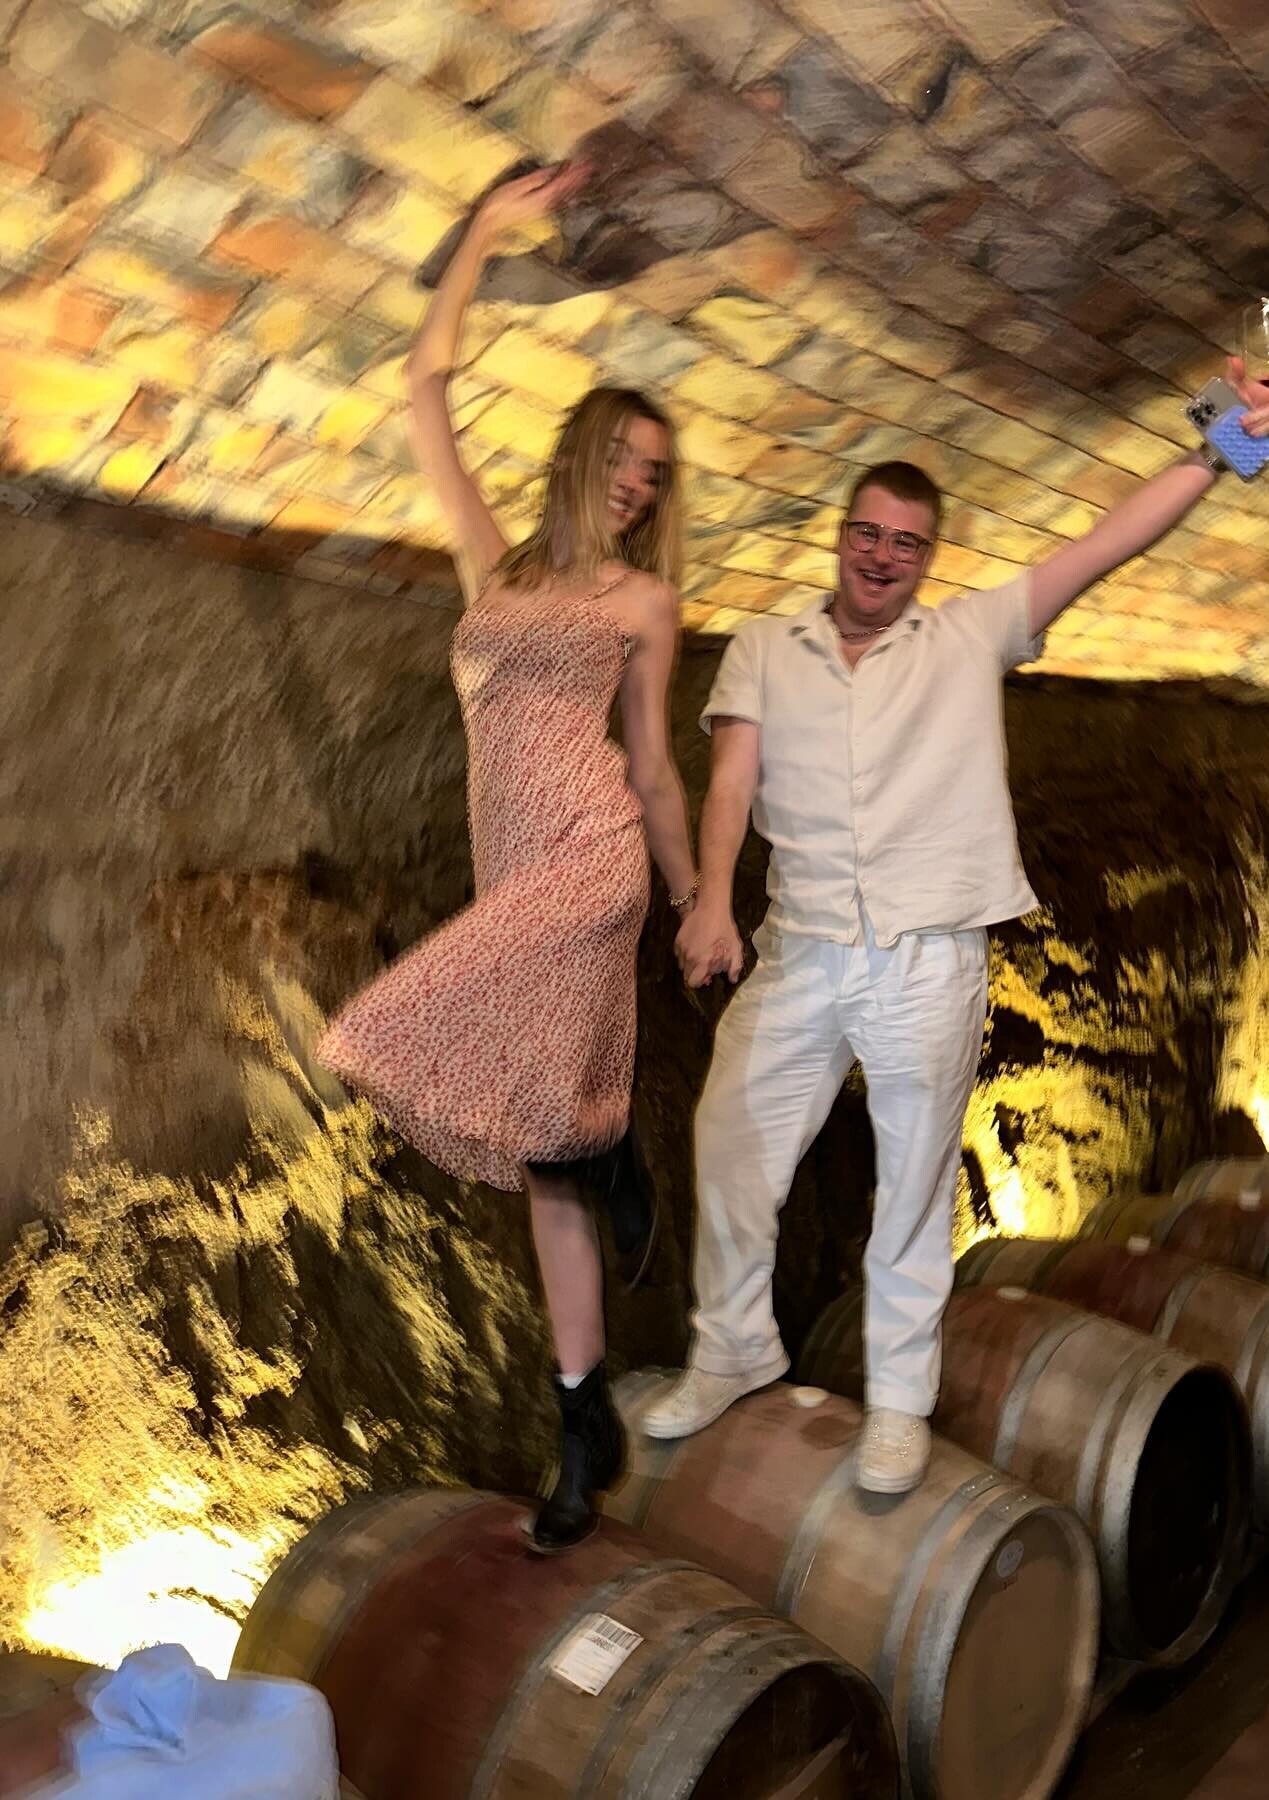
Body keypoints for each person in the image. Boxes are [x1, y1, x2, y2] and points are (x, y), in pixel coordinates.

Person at [644, 359, 1269, 1494]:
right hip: (801, 948)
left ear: (927, 558)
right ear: (839, 536)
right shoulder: (764, 649)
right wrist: (709, 897)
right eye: (867, 533)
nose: (881, 556)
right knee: (731, 1145)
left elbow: (1109, 542)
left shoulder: (967, 636)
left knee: (911, 1186)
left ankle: (899, 1401)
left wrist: (1227, 440)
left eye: (906, 543)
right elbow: (731, 782)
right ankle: (733, 1347)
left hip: (927, 958)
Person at [318, 164, 698, 1552]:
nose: (639, 483)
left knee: (378, 1026)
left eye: (655, 475)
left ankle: (611, 1146)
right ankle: (581, 1421)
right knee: (548, 1171)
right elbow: (424, 388)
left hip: (592, 865)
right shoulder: (496, 568)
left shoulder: (644, 600)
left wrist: (697, 896)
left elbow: (650, 763)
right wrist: (483, 227)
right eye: (625, 458)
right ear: (582, 453)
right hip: (512, 872)